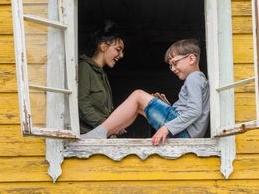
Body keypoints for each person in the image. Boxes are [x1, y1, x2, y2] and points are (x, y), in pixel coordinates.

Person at [81, 39, 210, 145]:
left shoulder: (194, 77)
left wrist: (167, 128)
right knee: (140, 106)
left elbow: (194, 111)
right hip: (185, 131)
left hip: (184, 132)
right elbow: (188, 109)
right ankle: (107, 132)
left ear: (191, 59)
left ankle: (100, 132)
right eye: (170, 65)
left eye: (175, 63)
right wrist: (165, 105)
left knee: (137, 96)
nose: (173, 69)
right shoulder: (198, 79)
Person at [78, 21, 124, 134]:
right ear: (103, 47)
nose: (121, 55)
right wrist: (107, 127)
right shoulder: (84, 68)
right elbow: (82, 104)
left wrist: (114, 127)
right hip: (87, 137)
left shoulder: (102, 75)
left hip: (101, 134)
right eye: (118, 49)